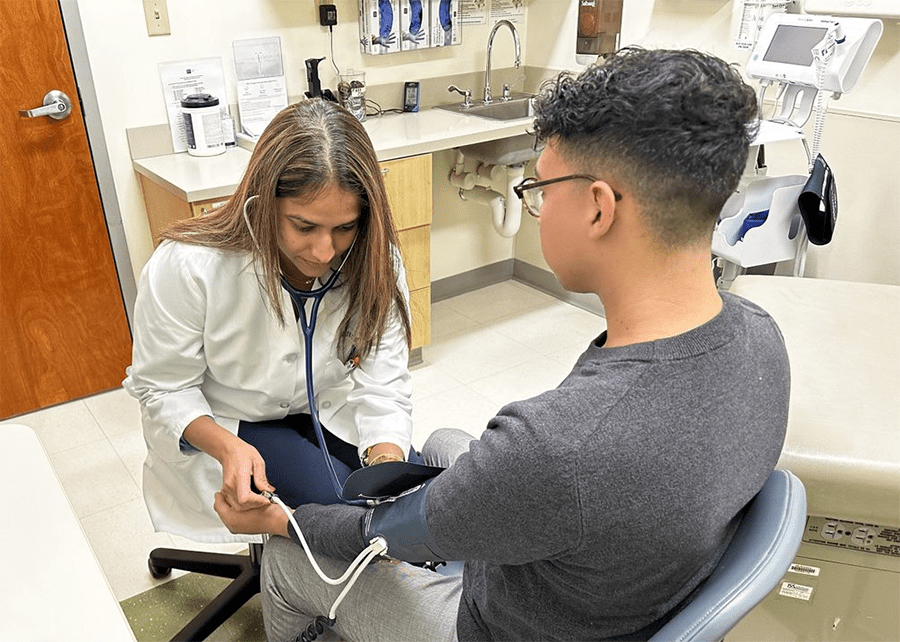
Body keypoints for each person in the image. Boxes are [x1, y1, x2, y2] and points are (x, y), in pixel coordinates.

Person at [214, 47, 790, 641]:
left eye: (539, 186)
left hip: (500, 626)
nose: (534, 205)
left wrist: (286, 520)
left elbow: (377, 534)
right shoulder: (759, 338)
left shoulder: (560, 446)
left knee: (289, 558)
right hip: (616, 585)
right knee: (440, 445)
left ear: (598, 207)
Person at [124, 98, 415, 543]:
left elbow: (384, 384)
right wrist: (226, 447)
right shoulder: (190, 266)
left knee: (408, 510)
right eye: (303, 226)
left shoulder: (375, 263)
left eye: (344, 228)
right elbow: (162, 387)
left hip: (328, 405)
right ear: (263, 202)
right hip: (233, 420)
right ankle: (301, 597)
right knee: (342, 522)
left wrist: (387, 459)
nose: (324, 252)